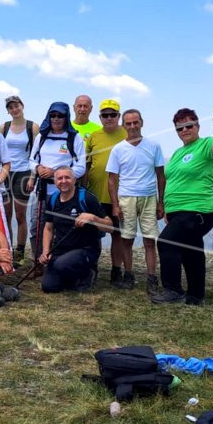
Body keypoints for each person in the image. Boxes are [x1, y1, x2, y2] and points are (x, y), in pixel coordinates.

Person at [151, 106, 213, 305]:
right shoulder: (178, 153)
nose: (184, 130)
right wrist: (168, 209)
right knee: (191, 250)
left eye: (188, 126)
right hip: (178, 212)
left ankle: (173, 290)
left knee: (167, 242)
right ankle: (195, 296)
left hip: (198, 210)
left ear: (197, 125)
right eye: (180, 128)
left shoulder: (206, 144)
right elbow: (171, 180)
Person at [106, 109, 165, 293]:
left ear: (142, 123)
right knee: (127, 239)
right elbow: (112, 179)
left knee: (149, 240)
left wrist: (161, 202)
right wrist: (115, 205)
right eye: (129, 123)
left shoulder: (153, 146)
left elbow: (161, 177)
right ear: (124, 125)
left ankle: (151, 277)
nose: (132, 126)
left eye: (135, 122)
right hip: (126, 198)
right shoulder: (118, 149)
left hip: (149, 198)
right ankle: (128, 274)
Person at [27, 102, 86, 262]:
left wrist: (57, 174)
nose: (56, 118)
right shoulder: (42, 136)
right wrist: (38, 168)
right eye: (53, 115)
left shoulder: (74, 137)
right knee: (36, 226)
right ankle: (37, 261)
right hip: (42, 190)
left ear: (66, 117)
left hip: (65, 192)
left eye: (60, 115)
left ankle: (60, 261)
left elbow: (81, 167)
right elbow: (32, 160)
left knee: (63, 227)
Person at [39, 167, 111, 293]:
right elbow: (48, 228)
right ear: (55, 182)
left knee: (61, 264)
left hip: (85, 249)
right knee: (49, 287)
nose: (63, 181)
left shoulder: (87, 198)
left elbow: (110, 226)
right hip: (61, 249)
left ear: (74, 180)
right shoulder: (52, 200)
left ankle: (88, 273)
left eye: (67, 177)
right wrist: (46, 251)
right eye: (59, 178)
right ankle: (72, 278)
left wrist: (93, 218)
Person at [86, 99, 128, 286]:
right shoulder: (94, 136)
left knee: (117, 234)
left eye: (113, 114)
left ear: (119, 116)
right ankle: (92, 267)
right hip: (95, 193)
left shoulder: (127, 134)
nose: (109, 118)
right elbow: (86, 166)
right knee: (94, 233)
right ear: (100, 117)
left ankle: (116, 270)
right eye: (105, 115)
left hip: (120, 195)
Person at [0, 95, 38, 262]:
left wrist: (33, 177)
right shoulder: (4, 127)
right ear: (8, 111)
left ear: (22, 106)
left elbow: (37, 153)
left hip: (23, 174)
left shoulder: (32, 127)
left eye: (17, 106)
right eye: (11, 107)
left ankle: (20, 251)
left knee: (20, 216)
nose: (14, 110)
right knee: (6, 214)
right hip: (6, 173)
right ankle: (7, 247)